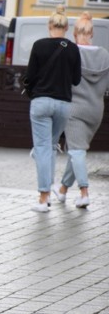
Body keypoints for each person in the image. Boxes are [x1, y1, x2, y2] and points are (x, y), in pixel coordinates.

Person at [24, 5, 81, 213]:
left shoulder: (39, 46)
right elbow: (76, 80)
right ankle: (49, 189)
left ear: (50, 26)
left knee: (42, 148)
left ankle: (43, 198)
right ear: (66, 27)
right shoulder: (73, 48)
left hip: (41, 102)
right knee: (50, 146)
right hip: (63, 104)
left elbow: (29, 76)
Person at [53, 12, 109, 209]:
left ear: (75, 34)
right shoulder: (105, 55)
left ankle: (84, 192)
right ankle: (63, 190)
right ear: (91, 33)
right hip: (96, 111)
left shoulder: (70, 52)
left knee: (76, 151)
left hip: (75, 109)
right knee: (77, 150)